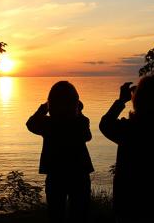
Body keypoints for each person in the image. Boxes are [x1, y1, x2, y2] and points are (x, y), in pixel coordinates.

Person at [100, 75, 154, 223]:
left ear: (137, 100)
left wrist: (121, 101)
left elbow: (105, 125)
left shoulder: (129, 130)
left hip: (130, 202)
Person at [26, 81, 93, 223]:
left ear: (51, 103)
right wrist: (79, 111)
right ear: (75, 101)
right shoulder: (80, 121)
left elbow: (30, 124)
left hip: (55, 174)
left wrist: (43, 109)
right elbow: (87, 136)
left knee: (56, 215)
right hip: (79, 173)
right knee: (80, 214)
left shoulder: (47, 123)